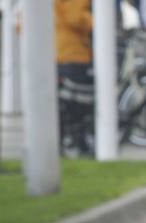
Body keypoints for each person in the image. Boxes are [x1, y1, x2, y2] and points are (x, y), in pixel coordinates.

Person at [56, 0, 94, 157]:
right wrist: (95, 23)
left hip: (56, 50)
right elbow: (75, 17)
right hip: (73, 51)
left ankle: (64, 140)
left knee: (63, 100)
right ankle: (77, 140)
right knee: (78, 101)